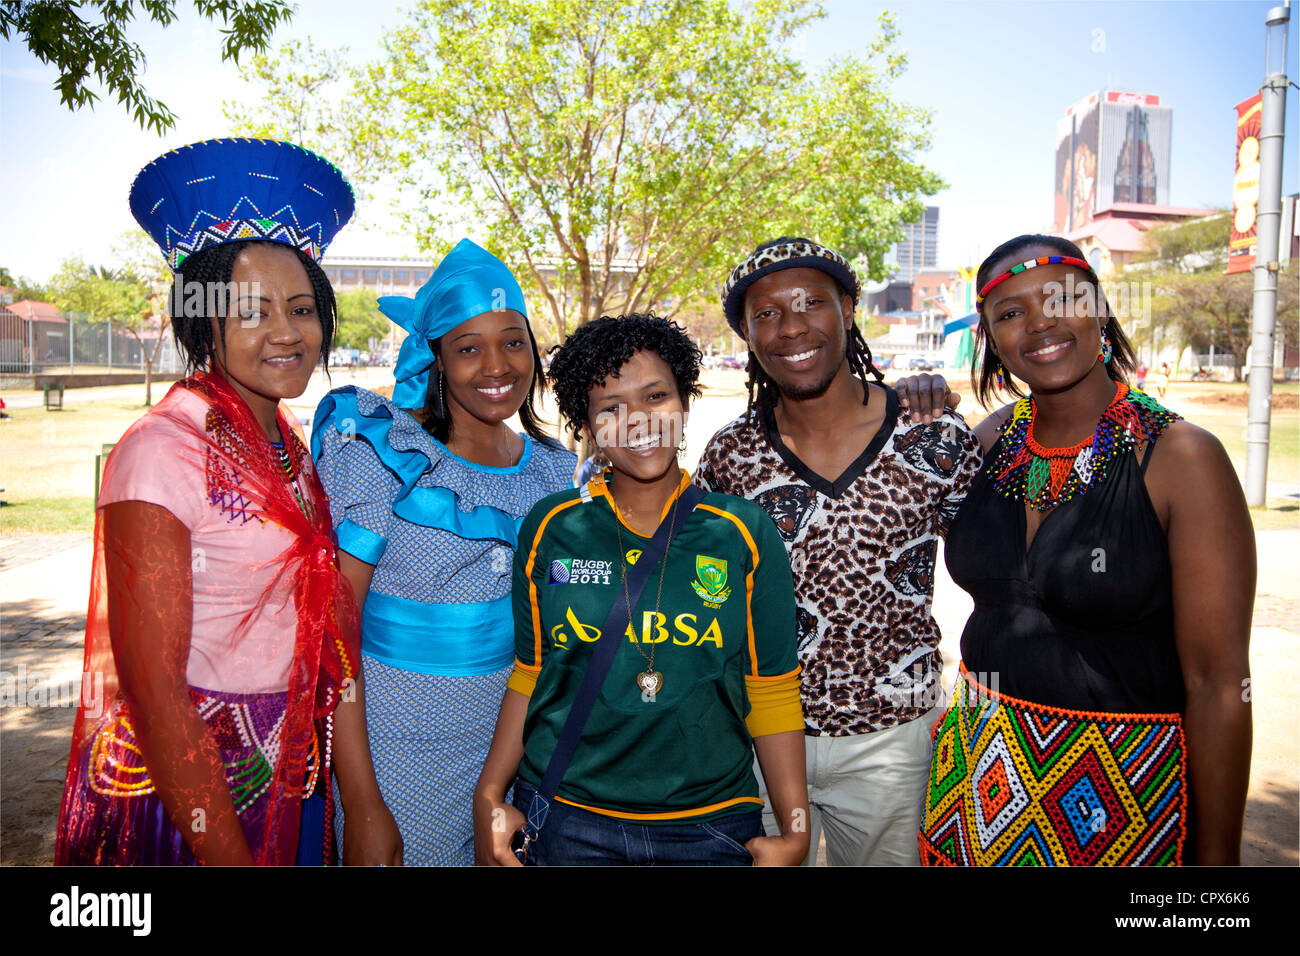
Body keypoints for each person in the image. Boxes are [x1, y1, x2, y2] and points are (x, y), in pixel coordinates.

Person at [56, 138, 370, 865]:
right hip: (197, 791)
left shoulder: (288, 441)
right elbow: (153, 685)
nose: (287, 333)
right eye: (253, 311)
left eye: (301, 308)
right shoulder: (162, 449)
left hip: (291, 766)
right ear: (202, 319)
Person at [919, 234, 1254, 866]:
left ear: (1101, 307)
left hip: (1123, 802)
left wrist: (1217, 870)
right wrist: (917, 396)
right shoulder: (989, 440)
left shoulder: (1182, 458)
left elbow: (1217, 684)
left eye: (1060, 299)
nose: (1039, 322)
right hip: (976, 792)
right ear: (991, 338)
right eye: (1010, 314)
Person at [474, 314, 809, 866]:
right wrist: (489, 795)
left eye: (656, 396)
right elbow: (531, 673)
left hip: (708, 827)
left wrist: (796, 828)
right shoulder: (550, 527)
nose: (638, 421)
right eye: (610, 408)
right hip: (565, 819)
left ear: (684, 402)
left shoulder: (742, 533)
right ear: (585, 424)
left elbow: (771, 688)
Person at [693, 236, 981, 866]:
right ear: (746, 333)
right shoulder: (729, 454)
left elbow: (997, 572)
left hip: (892, 741)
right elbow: (705, 592)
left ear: (848, 309)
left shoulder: (929, 433)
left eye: (810, 304)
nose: (790, 328)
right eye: (765, 314)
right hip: (759, 736)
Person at [311, 239, 576, 866]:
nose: (496, 365)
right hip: (395, 759)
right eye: (467, 347)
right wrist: (364, 801)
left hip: (512, 758)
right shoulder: (384, 454)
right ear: (435, 359)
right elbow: (334, 637)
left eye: (513, 341)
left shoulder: (555, 474)